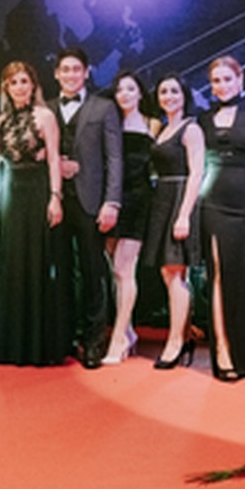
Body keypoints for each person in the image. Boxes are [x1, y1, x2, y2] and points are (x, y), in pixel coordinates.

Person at [198, 56, 245, 382]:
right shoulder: (203, 119)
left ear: (240, 81)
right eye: (216, 81)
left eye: (227, 79)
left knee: (244, 282)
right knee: (217, 276)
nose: (222, 86)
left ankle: (242, 354)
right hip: (213, 205)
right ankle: (222, 352)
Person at [52, 47, 123, 369]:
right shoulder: (46, 108)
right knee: (60, 272)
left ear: (86, 72)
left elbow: (114, 158)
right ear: (56, 74)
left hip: (91, 201)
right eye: (65, 69)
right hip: (55, 201)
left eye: (76, 69)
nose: (70, 75)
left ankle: (94, 341)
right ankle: (64, 336)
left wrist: (112, 201)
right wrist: (55, 163)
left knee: (94, 273)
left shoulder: (103, 107)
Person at [0, 61, 66, 366]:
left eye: (24, 81)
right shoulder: (1, 120)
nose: (19, 87)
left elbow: (53, 160)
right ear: (6, 88)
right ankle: (14, 346)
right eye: (13, 82)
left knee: (37, 263)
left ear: (33, 85)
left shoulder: (45, 116)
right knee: (13, 265)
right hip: (10, 195)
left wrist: (55, 197)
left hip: (38, 192)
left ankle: (39, 346)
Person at [142, 74, 205, 370]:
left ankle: (175, 342)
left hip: (180, 198)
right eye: (163, 91)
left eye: (174, 91)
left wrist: (183, 214)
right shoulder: (162, 128)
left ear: (184, 95)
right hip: (162, 199)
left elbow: (197, 173)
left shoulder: (191, 129)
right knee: (169, 274)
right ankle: (185, 334)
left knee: (174, 272)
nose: (168, 96)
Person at [103, 71, 158, 365]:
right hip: (111, 200)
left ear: (139, 93)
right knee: (116, 271)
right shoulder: (110, 123)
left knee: (125, 269)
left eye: (130, 88)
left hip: (138, 201)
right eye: (119, 89)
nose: (124, 94)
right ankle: (128, 329)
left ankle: (118, 339)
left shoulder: (152, 124)